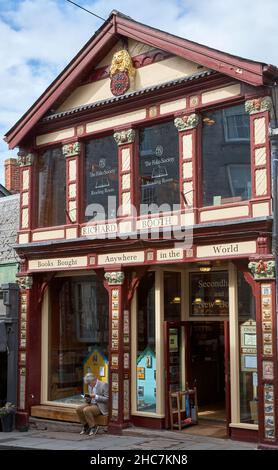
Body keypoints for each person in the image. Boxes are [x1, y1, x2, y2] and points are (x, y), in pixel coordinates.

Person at [76, 372, 108, 436]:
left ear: (94, 380)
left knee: (86, 410)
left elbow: (107, 399)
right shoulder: (90, 385)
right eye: (88, 384)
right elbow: (90, 398)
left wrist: (96, 396)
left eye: (89, 383)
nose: (89, 385)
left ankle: (93, 427)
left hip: (100, 405)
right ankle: (86, 425)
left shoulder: (103, 385)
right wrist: (87, 398)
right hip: (91, 403)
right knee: (78, 409)